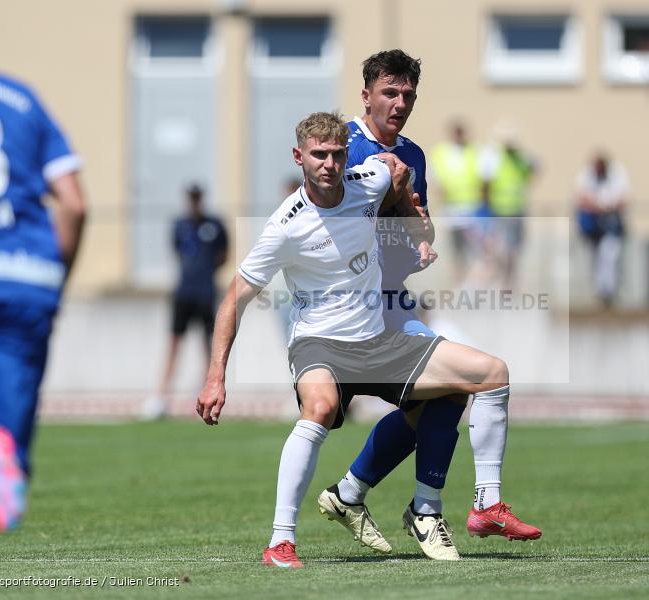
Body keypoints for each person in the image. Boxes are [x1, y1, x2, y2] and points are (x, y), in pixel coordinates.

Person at [195, 111, 539, 569]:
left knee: (489, 374)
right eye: (319, 155)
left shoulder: (368, 176)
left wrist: (412, 226)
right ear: (299, 157)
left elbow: (395, 172)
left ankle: (483, 504)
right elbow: (232, 300)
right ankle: (280, 542)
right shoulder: (285, 225)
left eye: (337, 154)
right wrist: (215, 377)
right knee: (318, 408)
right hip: (318, 345)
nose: (330, 164)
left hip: (377, 340)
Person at [320, 50, 539, 562]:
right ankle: (436, 506)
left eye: (408, 96)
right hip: (348, 314)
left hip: (392, 303)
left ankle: (372, 499)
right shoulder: (342, 148)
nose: (399, 104)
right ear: (366, 95)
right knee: (477, 379)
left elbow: (412, 225)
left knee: (449, 394)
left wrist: (419, 239)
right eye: (389, 93)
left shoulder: (414, 155)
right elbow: (330, 230)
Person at [0, 0, 87, 593]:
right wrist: (52, 283)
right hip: (20, 280)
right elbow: (75, 202)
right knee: (0, 425)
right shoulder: (20, 98)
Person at [143, 184, 227, 419]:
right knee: (174, 342)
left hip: (205, 292)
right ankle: (162, 395)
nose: (194, 203)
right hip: (184, 293)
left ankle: (204, 393)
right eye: (191, 199)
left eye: (197, 198)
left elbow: (222, 255)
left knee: (207, 345)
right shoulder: (179, 225)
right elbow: (177, 252)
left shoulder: (215, 225)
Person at [479, 123, 536, 286]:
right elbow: (485, 184)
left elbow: (534, 168)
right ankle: (497, 281)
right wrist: (486, 208)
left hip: (516, 209)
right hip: (498, 211)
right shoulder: (493, 157)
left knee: (513, 251)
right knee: (499, 250)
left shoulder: (521, 157)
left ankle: (508, 284)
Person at [429, 120, 483, 280]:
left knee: (473, 247)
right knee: (455, 247)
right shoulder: (441, 152)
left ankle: (472, 279)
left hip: (470, 206)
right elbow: (435, 176)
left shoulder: (473, 151)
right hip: (450, 207)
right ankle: (458, 277)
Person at [575, 151, 629, 306]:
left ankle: (609, 291)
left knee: (610, 254)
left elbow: (626, 198)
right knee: (595, 256)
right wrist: (597, 207)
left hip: (611, 222)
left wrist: (610, 207)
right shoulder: (586, 175)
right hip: (593, 224)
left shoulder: (617, 174)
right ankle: (600, 290)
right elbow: (581, 197)